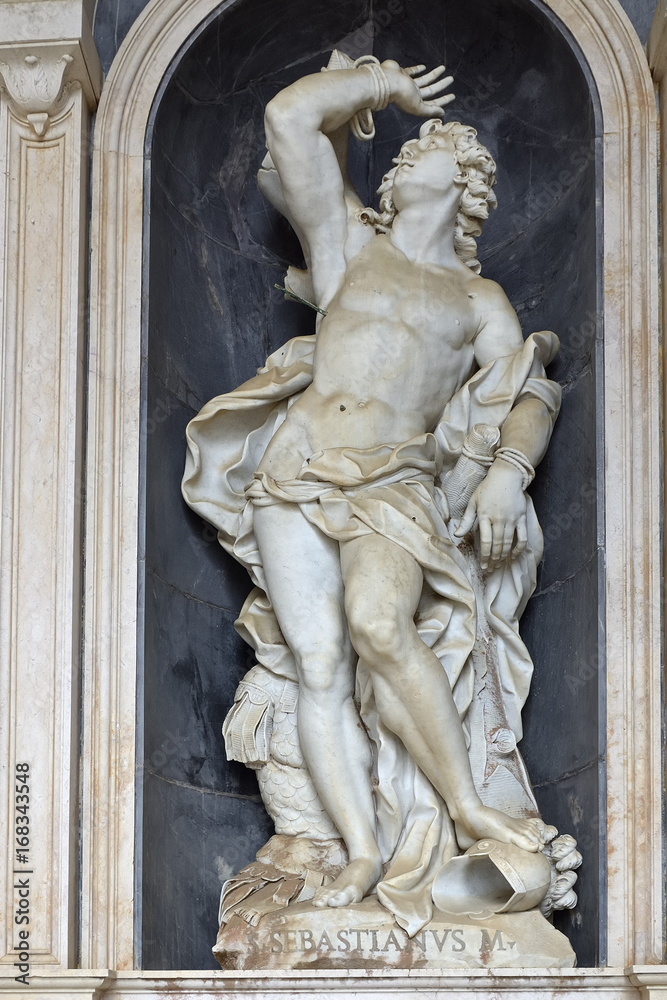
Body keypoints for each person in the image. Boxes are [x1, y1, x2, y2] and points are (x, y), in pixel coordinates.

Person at [183, 55, 561, 922]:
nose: (408, 154)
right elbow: (287, 117)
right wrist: (380, 85)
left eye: (431, 146)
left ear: (463, 182)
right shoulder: (347, 246)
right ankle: (358, 853)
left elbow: (528, 391)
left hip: (393, 478)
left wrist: (506, 473)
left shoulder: (475, 298)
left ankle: (466, 809)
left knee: (379, 626)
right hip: (294, 469)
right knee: (318, 666)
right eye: (410, 145)